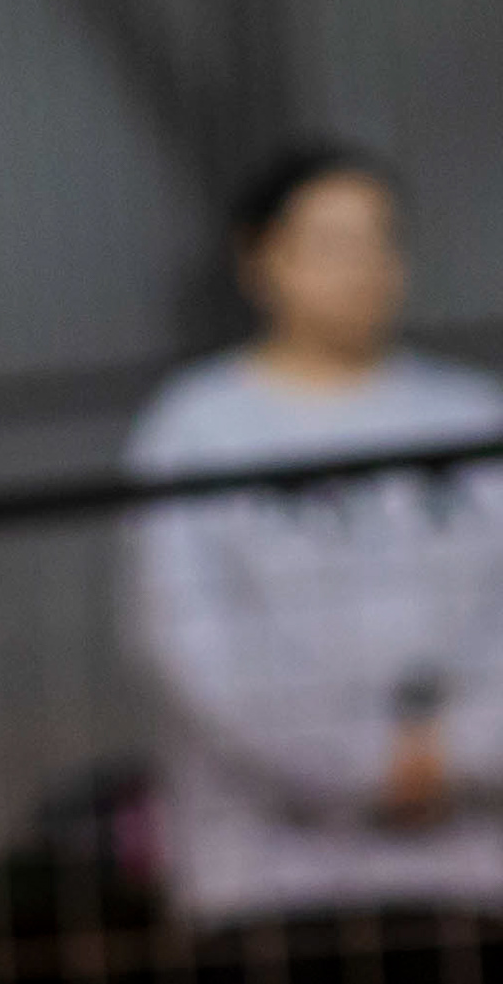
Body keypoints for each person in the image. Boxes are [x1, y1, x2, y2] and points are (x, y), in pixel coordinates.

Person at [126, 143, 503, 932]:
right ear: (259, 259)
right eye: (330, 243)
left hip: (472, 866)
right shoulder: (196, 427)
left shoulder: (473, 412)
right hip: (271, 879)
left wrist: (460, 751)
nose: (363, 267)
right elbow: (192, 642)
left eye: (380, 239)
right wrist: (361, 765)